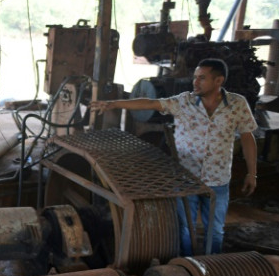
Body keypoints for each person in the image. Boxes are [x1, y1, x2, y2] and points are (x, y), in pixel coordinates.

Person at [91, 58, 257, 255]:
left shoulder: (237, 104)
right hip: (186, 178)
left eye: (202, 78)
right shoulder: (184, 101)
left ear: (218, 81)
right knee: (185, 229)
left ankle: (212, 267)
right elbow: (151, 103)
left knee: (216, 230)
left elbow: (248, 138)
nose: (195, 82)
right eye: (195, 77)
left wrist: (252, 173)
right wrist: (113, 104)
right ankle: (187, 265)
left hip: (218, 180)